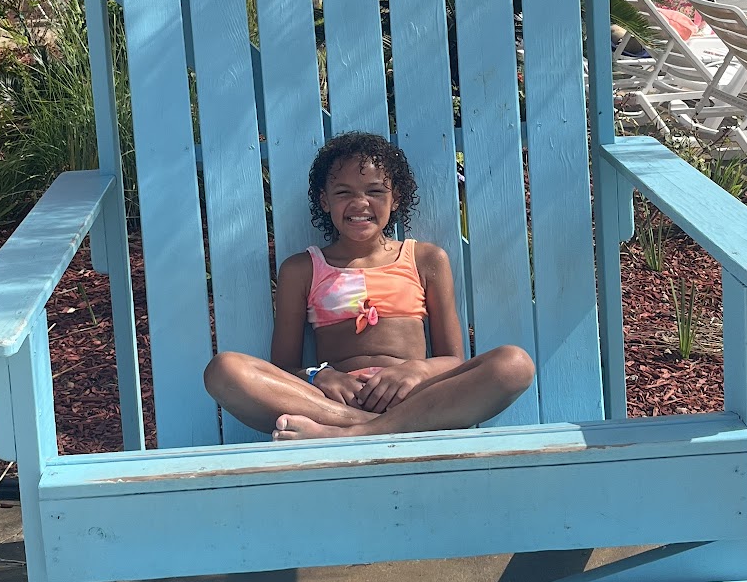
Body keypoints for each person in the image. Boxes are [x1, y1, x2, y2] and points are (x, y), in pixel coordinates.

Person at [204, 131, 535, 441]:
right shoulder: (303, 269)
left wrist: (417, 371)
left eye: (375, 191)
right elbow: (284, 370)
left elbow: (452, 360)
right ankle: (375, 426)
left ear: (395, 198)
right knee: (224, 369)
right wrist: (319, 376)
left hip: (414, 395)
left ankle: (347, 434)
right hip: (335, 400)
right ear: (324, 200)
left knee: (514, 364)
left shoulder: (425, 259)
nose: (360, 203)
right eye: (343, 192)